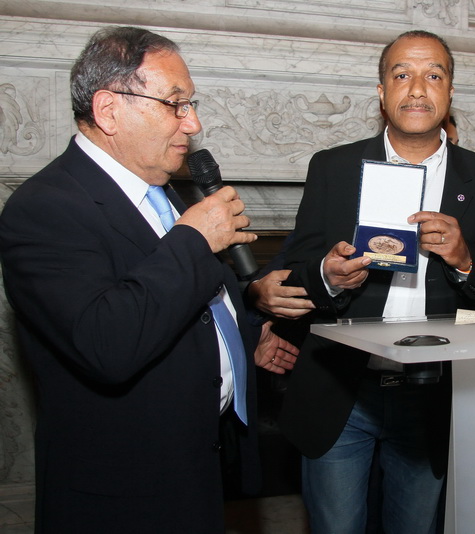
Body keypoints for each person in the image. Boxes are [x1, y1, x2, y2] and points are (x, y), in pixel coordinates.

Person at [0, 26, 297, 533]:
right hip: (122, 493)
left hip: (198, 463)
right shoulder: (44, 207)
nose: (193, 123)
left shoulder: (164, 193)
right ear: (109, 109)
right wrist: (194, 240)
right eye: (175, 104)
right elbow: (106, 342)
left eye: (191, 104)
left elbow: (190, 300)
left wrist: (248, 334)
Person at [270, 30, 475, 533]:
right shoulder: (334, 168)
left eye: (434, 76)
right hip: (343, 390)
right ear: (382, 92)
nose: (417, 89)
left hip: (434, 395)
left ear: (450, 93)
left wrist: (464, 257)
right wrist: (328, 274)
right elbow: (294, 274)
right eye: (401, 75)